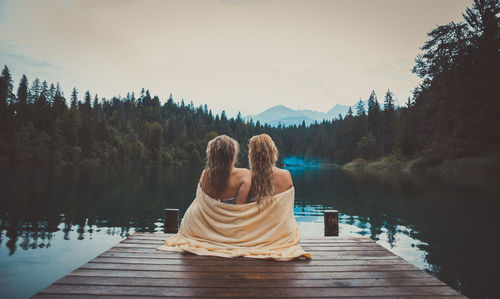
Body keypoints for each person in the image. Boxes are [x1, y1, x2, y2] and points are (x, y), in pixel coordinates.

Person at [199, 135, 251, 205]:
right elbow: (239, 208)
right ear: (233, 154)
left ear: (211, 155)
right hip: (232, 215)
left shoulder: (205, 174)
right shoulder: (245, 175)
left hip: (206, 215)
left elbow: (202, 203)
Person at [248, 133, 293, 203]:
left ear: (251, 155)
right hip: (280, 214)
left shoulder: (246, 177)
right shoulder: (285, 175)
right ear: (273, 152)